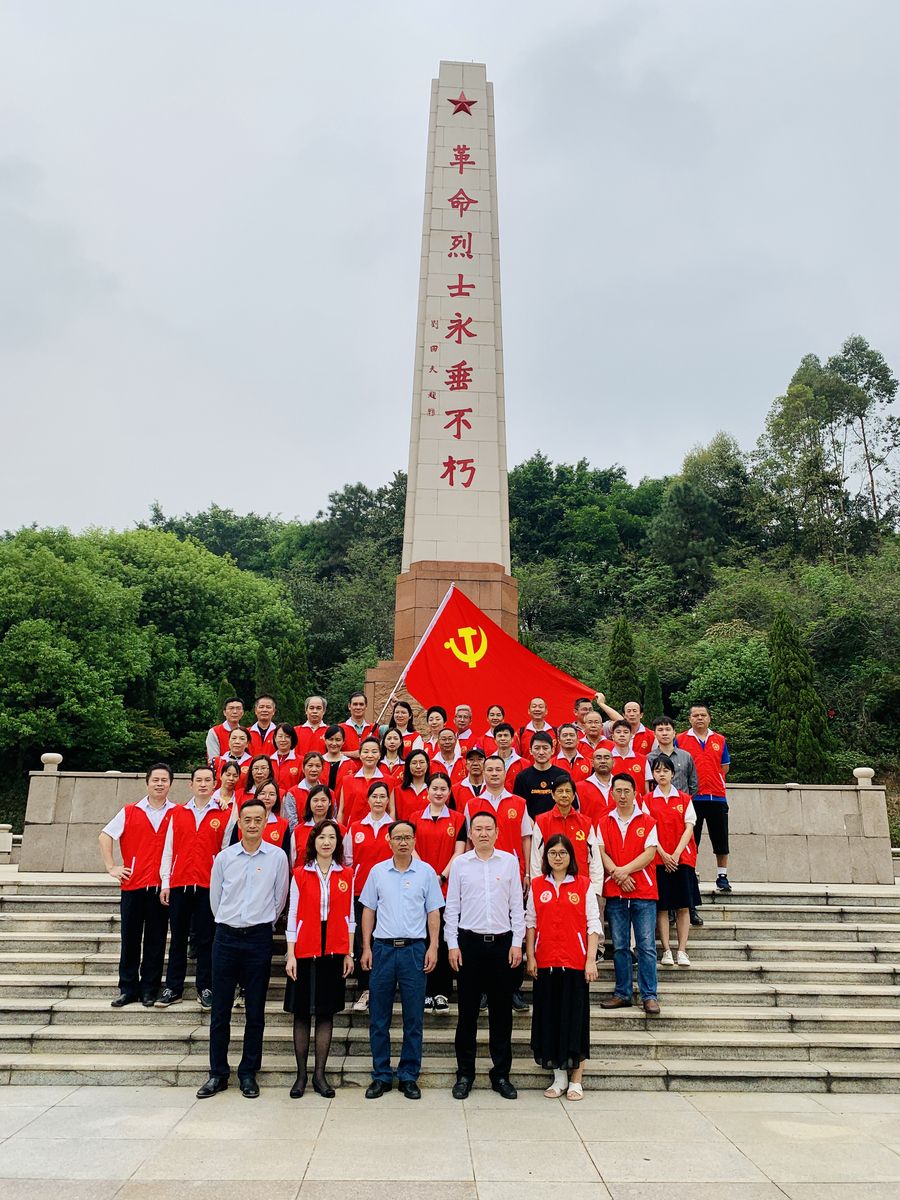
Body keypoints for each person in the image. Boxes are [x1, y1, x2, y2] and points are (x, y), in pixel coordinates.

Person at [197, 796, 290, 1099]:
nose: (252, 825)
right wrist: (230, 921)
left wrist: (259, 923)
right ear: (240, 823)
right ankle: (217, 1073)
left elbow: (279, 900)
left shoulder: (277, 857)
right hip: (225, 938)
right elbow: (215, 900)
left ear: (266, 823)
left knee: (255, 1012)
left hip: (258, 939)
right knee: (220, 1010)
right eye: (247, 820)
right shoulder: (225, 857)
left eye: (258, 820)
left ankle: (249, 1072)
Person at [359, 820, 444, 1099]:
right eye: (398, 837)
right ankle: (381, 1075)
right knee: (379, 1017)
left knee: (413, 1018)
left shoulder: (427, 872)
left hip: (414, 950)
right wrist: (366, 947)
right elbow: (368, 910)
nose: (403, 842)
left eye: (408, 837)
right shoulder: (377, 872)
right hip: (383, 949)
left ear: (414, 841)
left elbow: (433, 912)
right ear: (389, 841)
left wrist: (433, 947)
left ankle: (408, 1075)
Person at [445, 810, 525, 1099]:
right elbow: (452, 908)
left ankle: (500, 1074)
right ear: (471, 834)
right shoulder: (461, 865)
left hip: (503, 945)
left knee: (501, 1015)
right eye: (477, 829)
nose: (482, 833)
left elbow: (518, 906)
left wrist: (518, 942)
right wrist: (452, 944)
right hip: (469, 945)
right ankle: (465, 1074)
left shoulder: (510, 862)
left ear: (496, 832)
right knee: (467, 1014)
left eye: (488, 828)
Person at [526, 833, 601, 1100]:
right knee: (550, 1020)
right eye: (552, 853)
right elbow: (531, 923)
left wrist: (590, 959)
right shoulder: (537, 885)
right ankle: (558, 1077)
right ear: (545, 858)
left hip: (575, 964)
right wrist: (531, 956)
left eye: (563, 853)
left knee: (575, 1020)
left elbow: (593, 925)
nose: (557, 858)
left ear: (571, 857)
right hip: (546, 963)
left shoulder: (583, 885)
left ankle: (577, 1079)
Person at [284, 818, 354, 1098]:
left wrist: (349, 951)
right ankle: (300, 1076)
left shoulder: (346, 874)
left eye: (332, 837)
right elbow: (292, 913)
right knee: (302, 1014)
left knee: (326, 1013)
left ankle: (319, 1076)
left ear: (338, 843)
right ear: (313, 841)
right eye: (321, 837)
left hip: (333, 950)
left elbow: (350, 918)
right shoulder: (301, 873)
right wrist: (290, 953)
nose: (326, 842)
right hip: (304, 948)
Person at [100, 763, 175, 1008]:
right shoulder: (130, 811)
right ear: (147, 782)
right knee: (130, 939)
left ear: (170, 784)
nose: (160, 784)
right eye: (156, 780)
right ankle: (128, 988)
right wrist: (112, 867)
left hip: (161, 887)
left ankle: (149, 989)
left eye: (164, 780)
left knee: (155, 940)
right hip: (133, 885)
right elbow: (105, 835)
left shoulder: (177, 812)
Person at [157, 765, 227, 1009]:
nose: (203, 784)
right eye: (199, 780)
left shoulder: (223, 814)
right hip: (180, 884)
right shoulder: (177, 813)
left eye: (208, 780)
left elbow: (225, 854)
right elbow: (168, 850)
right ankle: (173, 987)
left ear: (214, 784)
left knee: (207, 939)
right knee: (177, 938)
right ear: (191, 784)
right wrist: (165, 881)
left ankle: (205, 987)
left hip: (208, 886)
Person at [597, 773, 661, 1015]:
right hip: (616, 891)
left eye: (627, 791)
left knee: (645, 946)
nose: (622, 795)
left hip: (643, 891)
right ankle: (622, 992)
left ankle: (649, 995)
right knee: (621, 945)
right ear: (611, 793)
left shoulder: (648, 821)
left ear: (635, 793)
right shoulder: (604, 821)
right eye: (618, 791)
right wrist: (617, 874)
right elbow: (601, 851)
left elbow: (650, 852)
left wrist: (624, 871)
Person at [414, 774, 466, 1011]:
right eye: (434, 788)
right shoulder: (414, 818)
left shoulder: (458, 818)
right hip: (420, 887)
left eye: (443, 789)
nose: (438, 792)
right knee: (423, 937)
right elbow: (411, 849)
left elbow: (459, 852)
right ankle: (425, 990)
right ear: (428, 791)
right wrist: (427, 876)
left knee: (444, 938)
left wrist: (441, 876)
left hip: (447, 887)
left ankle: (442, 991)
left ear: (448, 793)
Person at [644, 754, 700, 966]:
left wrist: (675, 854)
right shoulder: (647, 800)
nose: (661, 774)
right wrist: (663, 854)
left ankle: (682, 950)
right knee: (663, 907)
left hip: (682, 859)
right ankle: (667, 949)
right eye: (657, 771)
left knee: (683, 906)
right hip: (658, 860)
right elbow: (648, 830)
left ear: (673, 773)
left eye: (665, 771)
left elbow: (689, 827)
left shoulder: (684, 799)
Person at [344, 780, 393, 1013]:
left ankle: (381, 988)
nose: (379, 800)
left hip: (388, 895)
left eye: (383, 796)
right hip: (360, 893)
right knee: (364, 943)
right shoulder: (355, 827)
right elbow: (348, 861)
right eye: (375, 796)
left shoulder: (394, 827)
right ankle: (366, 989)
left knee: (382, 942)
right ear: (368, 799)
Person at [677, 703, 732, 892]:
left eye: (703, 715)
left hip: (716, 796)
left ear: (709, 718)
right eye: (695, 715)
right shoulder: (680, 739)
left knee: (721, 839)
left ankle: (722, 875)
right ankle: (691, 873)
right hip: (693, 798)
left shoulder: (720, 739)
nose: (699, 718)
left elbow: (724, 767)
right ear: (689, 719)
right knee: (692, 840)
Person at [514, 731, 568, 820]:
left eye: (545, 748)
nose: (541, 752)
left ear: (552, 750)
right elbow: (519, 808)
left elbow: (570, 804)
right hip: (531, 828)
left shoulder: (562, 776)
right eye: (537, 748)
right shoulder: (522, 777)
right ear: (530, 751)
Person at [338, 737, 391, 826]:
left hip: (381, 831)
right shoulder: (347, 780)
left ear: (379, 755)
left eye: (374, 752)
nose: (370, 755)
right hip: (352, 831)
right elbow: (341, 811)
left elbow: (391, 810)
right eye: (366, 752)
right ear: (360, 754)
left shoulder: (389, 780)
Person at [291, 784, 339, 864]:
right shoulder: (298, 831)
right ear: (309, 803)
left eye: (323, 800)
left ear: (330, 802)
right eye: (315, 800)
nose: (319, 804)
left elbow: (344, 860)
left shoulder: (340, 830)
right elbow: (292, 861)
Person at [283, 752, 326, 829]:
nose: (314, 769)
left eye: (318, 766)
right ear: (303, 768)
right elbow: (292, 823)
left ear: (322, 769)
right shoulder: (292, 793)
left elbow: (331, 818)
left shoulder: (329, 793)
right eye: (310, 766)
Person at [608, 720, 651, 797]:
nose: (622, 735)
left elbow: (646, 790)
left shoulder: (643, 760)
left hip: (637, 806)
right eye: (618, 732)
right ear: (613, 736)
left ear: (631, 736)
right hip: (613, 806)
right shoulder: (606, 759)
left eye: (625, 732)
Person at [576, 747, 615, 826]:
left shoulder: (622, 786)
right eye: (599, 758)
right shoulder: (579, 788)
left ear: (613, 762)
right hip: (591, 836)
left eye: (606, 758)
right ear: (592, 763)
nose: (603, 761)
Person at [395, 749, 432, 822]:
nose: (418, 766)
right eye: (414, 763)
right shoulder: (398, 790)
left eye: (421, 762)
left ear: (427, 765)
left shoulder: (433, 789)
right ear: (408, 766)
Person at [206, 697, 245, 765]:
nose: (235, 712)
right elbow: (214, 759)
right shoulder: (214, 732)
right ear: (224, 712)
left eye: (238, 708)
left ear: (242, 713)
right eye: (231, 708)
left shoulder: (245, 733)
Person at [341, 691, 378, 758]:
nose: (358, 707)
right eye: (355, 704)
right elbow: (332, 753)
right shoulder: (340, 729)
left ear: (366, 706)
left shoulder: (374, 728)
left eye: (361, 704)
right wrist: (352, 754)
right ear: (349, 706)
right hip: (347, 767)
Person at [270, 723, 302, 794]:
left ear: (292, 739)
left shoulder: (301, 761)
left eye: (287, 737)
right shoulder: (268, 761)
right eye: (280, 736)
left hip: (292, 800)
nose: (283, 740)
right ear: (275, 738)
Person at [492, 721, 525, 788]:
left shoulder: (524, 763)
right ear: (495, 740)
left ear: (512, 739)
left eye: (506, 735)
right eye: (499, 736)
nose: (503, 738)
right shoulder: (488, 762)